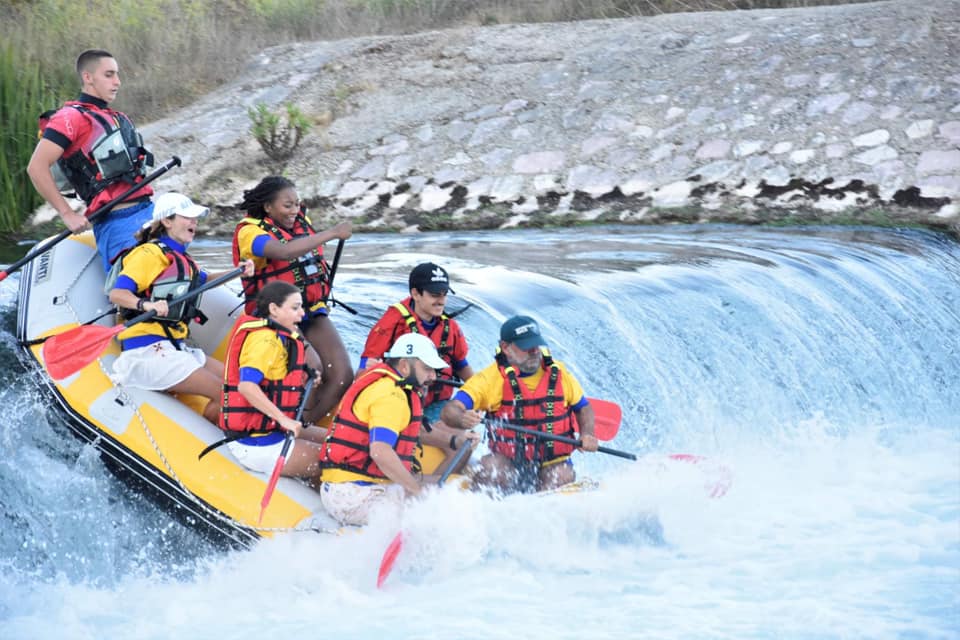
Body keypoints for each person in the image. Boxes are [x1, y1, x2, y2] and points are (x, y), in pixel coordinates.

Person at [108, 192, 254, 423]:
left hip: (175, 346)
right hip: (147, 352)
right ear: (167, 221)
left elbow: (204, 280)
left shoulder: (183, 258)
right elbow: (117, 293)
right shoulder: (149, 254)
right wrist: (147, 304)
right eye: (187, 217)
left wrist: (238, 272)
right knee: (229, 394)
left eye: (195, 218)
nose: (194, 222)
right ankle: (224, 428)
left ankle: (217, 426)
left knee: (239, 383)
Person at [233, 176, 353, 425]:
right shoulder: (249, 232)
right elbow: (284, 252)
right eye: (287, 205)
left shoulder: (300, 224)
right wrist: (332, 233)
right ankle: (290, 425)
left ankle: (305, 424)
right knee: (313, 368)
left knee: (342, 375)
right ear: (268, 207)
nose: (294, 211)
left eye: (297, 204)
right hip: (274, 315)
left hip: (309, 309)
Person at [27, 49, 156, 272]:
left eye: (117, 74)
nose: (117, 82)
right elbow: (36, 167)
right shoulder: (69, 118)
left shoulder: (115, 117)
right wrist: (67, 214)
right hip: (117, 221)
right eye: (109, 75)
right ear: (88, 77)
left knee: (176, 273)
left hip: (148, 211)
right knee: (141, 283)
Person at [440, 315, 599, 493]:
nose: (534, 351)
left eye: (536, 344)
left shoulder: (559, 373)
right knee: (492, 469)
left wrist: (587, 433)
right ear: (505, 348)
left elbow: (583, 408)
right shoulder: (489, 379)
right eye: (526, 346)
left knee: (561, 475)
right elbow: (450, 410)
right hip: (508, 460)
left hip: (553, 461)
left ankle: (544, 507)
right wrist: (461, 418)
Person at [318, 333, 448, 526]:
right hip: (353, 495)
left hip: (346, 488)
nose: (433, 376)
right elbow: (380, 451)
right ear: (404, 365)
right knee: (431, 513)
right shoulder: (391, 396)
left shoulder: (386, 384)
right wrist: (414, 490)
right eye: (427, 368)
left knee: (434, 492)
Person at [358, 262, 477, 471]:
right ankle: (422, 484)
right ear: (415, 293)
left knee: (463, 444)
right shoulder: (392, 323)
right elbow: (361, 372)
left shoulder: (450, 328)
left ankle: (440, 482)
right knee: (455, 443)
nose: (441, 300)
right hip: (400, 404)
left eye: (444, 294)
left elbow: (463, 368)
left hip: (436, 404)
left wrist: (481, 395)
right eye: (434, 295)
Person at [218, 281, 327, 479]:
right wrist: (283, 419)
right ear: (274, 309)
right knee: (339, 458)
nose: (302, 314)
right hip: (256, 444)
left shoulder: (280, 337)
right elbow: (246, 386)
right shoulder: (265, 340)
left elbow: (276, 380)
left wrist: (306, 377)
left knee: (335, 441)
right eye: (295, 308)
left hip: (271, 431)